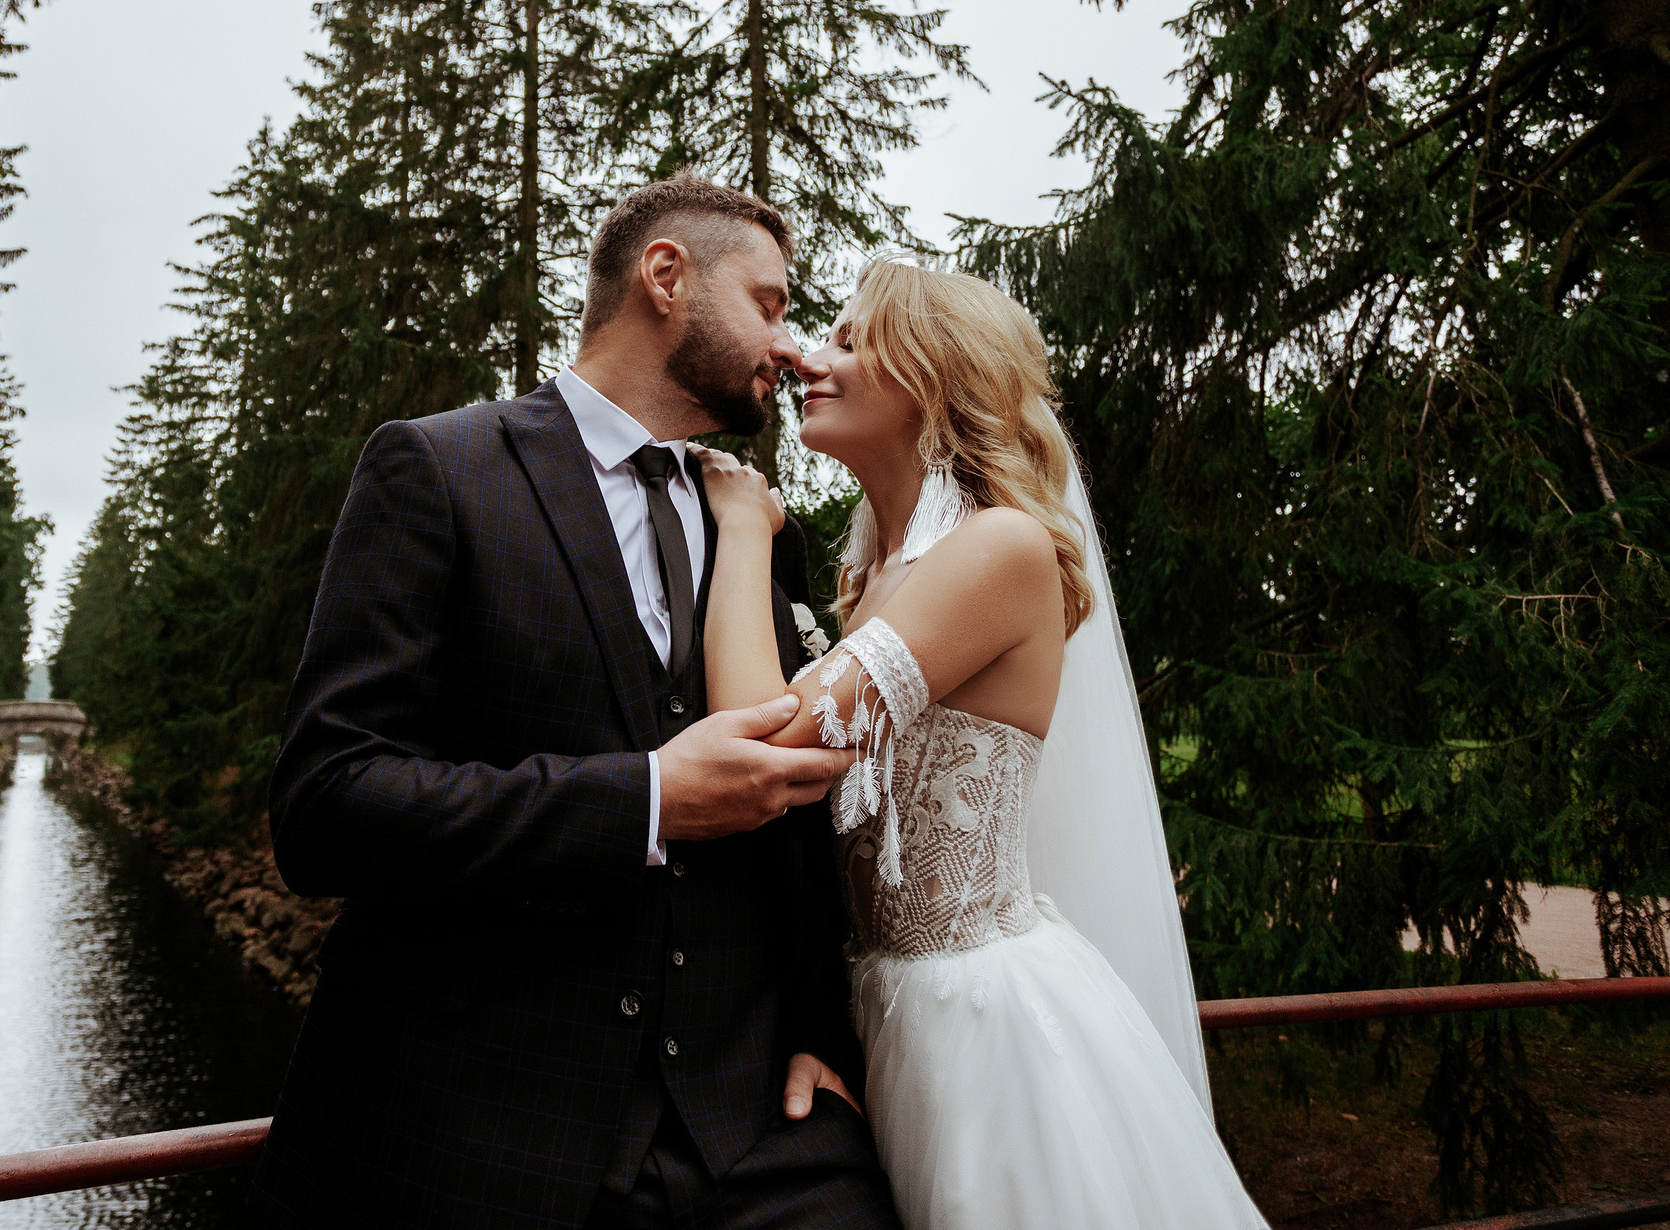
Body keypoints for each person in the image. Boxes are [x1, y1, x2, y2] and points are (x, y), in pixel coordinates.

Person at [255, 175, 901, 1230]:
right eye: (771, 305)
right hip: (481, 1141)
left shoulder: (757, 526)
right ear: (665, 278)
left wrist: (824, 1033)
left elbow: (795, 831)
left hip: (760, 1141)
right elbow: (327, 805)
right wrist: (643, 798)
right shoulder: (438, 469)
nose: (788, 348)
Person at [691, 257, 1270, 1230]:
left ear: (928, 371)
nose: (803, 361)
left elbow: (769, 749)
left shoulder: (1000, 547)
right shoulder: (872, 571)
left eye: (843, 339)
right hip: (886, 1012)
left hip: (986, 1026)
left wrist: (741, 534)